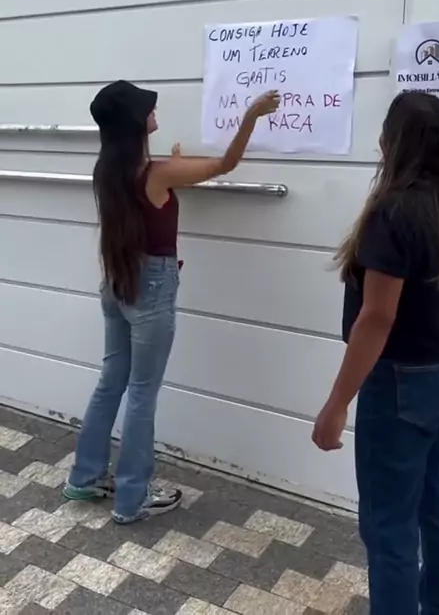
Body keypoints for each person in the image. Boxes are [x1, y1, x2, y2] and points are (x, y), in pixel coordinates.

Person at [63, 79, 280, 524]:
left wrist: (177, 166)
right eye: (147, 108)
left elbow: (150, 194)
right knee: (142, 393)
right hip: (152, 287)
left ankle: (84, 478)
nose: (154, 111)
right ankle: (132, 499)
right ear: (134, 123)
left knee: (111, 382)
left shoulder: (110, 171)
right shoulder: (156, 174)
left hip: (117, 282)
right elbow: (226, 163)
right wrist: (251, 116)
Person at [312, 91, 439, 615]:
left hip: (402, 386)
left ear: (392, 144)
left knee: (389, 528)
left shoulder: (393, 213)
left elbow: (377, 317)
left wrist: (337, 403)